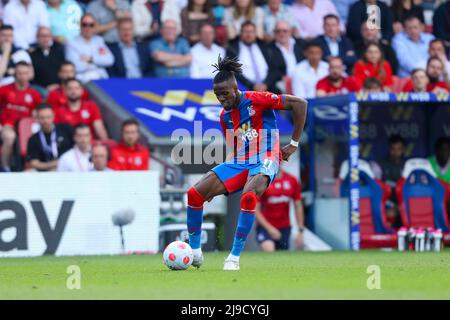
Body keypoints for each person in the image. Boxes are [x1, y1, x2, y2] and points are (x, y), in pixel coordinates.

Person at [185, 56, 308, 270]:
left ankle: (233, 258)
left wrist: (294, 144)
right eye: (217, 95)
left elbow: (300, 104)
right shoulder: (225, 118)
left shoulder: (257, 99)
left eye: (225, 94)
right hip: (241, 161)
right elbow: (235, 149)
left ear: (235, 89)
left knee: (249, 196)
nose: (222, 99)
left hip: (267, 157)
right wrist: (220, 184)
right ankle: (195, 252)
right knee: (195, 194)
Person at [0, 61, 42, 171]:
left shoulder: (34, 94)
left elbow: (39, 114)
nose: (22, 76)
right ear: (15, 74)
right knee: (9, 137)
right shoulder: (4, 90)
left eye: (25, 73)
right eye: (20, 73)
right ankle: (5, 168)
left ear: (29, 74)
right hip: (7, 125)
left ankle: (29, 166)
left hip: (26, 127)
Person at [226, 21, 284, 93]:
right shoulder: (233, 49)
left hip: (268, 87)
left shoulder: (265, 47)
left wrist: (266, 84)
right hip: (244, 89)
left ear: (255, 33)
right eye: (246, 32)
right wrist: (251, 85)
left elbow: (274, 69)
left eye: (251, 32)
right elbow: (232, 71)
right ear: (240, 33)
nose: (249, 35)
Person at [255, 167, 305, 251]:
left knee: (281, 257)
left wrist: (300, 231)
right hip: (265, 227)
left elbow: (298, 206)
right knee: (268, 248)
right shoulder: (263, 180)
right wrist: (270, 229)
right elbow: (255, 209)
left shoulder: (292, 180)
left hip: (284, 227)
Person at [65, 14, 115, 83]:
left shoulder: (99, 40)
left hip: (102, 77)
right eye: (84, 25)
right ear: (79, 26)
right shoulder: (72, 43)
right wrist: (99, 63)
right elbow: (76, 67)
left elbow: (110, 60)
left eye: (91, 25)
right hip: (83, 80)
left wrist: (91, 59)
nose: (88, 28)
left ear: (95, 27)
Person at [26, 103, 73, 171]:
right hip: (45, 171)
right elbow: (34, 163)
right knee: (29, 172)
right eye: (42, 118)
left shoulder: (65, 129)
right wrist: (54, 164)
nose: (45, 121)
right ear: (37, 119)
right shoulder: (33, 139)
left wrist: (62, 163)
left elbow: (76, 148)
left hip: (67, 168)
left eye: (48, 117)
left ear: (53, 116)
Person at [375, 134, 407, 227]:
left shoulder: (408, 165)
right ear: (389, 149)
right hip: (386, 203)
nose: (396, 152)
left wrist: (401, 206)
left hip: (402, 204)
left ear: (403, 149)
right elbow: (376, 191)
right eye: (393, 149)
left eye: (399, 149)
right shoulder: (380, 165)